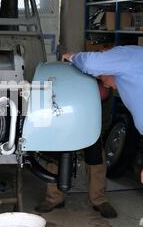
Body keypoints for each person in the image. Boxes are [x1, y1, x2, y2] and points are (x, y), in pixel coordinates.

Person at [62, 45, 143, 227]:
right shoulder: (135, 65)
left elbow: (90, 63)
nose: (106, 84)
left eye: (102, 78)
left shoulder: (125, 55)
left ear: (110, 64)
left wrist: (72, 56)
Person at [36, 81, 117, 219]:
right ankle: (54, 198)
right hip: (64, 107)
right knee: (55, 153)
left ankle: (99, 199)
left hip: (91, 116)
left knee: (96, 155)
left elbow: (103, 100)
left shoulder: (101, 82)